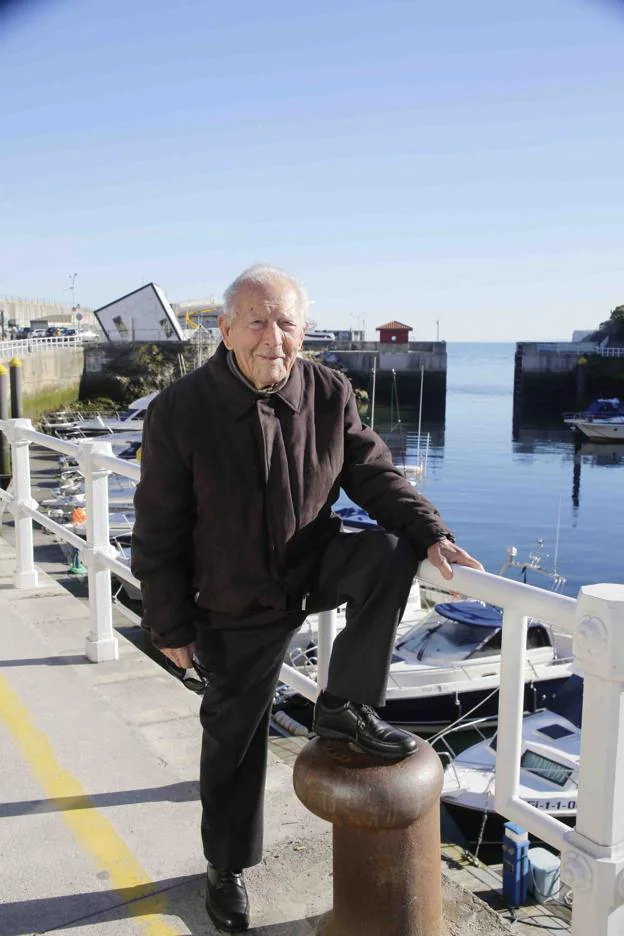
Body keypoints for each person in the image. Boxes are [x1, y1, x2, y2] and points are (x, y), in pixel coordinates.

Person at [131, 265, 482, 934]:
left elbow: (373, 472)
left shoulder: (328, 389)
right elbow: (157, 531)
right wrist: (168, 622)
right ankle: (225, 866)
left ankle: (346, 707)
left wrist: (431, 531)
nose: (274, 338)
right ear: (226, 329)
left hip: (308, 563)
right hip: (233, 596)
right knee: (232, 741)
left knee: (387, 552)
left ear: (304, 329)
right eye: (258, 322)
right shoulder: (181, 411)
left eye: (287, 323)